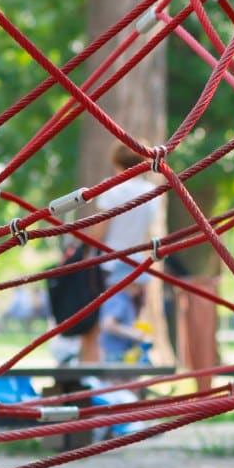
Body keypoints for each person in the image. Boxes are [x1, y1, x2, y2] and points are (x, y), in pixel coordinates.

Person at [83, 141, 174, 366]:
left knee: (105, 322)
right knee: (132, 322)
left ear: (116, 161)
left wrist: (85, 253)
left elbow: (99, 230)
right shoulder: (151, 192)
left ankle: (101, 373)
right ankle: (134, 369)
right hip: (137, 265)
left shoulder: (113, 189)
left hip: (112, 263)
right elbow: (148, 232)